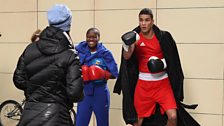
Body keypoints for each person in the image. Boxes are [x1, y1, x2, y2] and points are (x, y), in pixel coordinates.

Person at [114, 8, 200, 126]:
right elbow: (127, 58)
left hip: (162, 84)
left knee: (173, 117)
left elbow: (172, 60)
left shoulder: (163, 37)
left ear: (152, 21)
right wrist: (127, 46)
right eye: (141, 20)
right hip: (144, 85)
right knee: (137, 121)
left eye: (147, 20)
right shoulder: (135, 38)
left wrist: (161, 64)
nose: (143, 23)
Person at [13, 4, 84, 126]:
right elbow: (75, 93)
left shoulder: (30, 49)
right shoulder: (70, 54)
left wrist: (36, 89)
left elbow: (18, 80)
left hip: (29, 114)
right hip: (58, 116)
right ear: (68, 25)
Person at [75, 27, 119, 126]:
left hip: (100, 93)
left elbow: (115, 74)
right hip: (84, 93)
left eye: (94, 37)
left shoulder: (105, 53)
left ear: (98, 38)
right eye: (89, 37)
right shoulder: (78, 52)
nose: (91, 39)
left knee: (102, 123)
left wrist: (103, 74)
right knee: (80, 123)